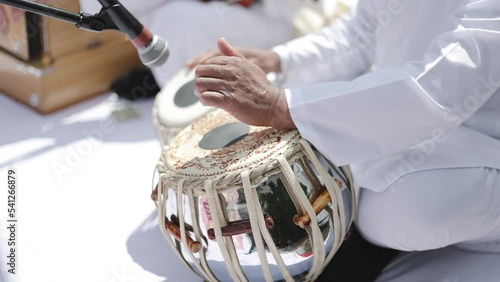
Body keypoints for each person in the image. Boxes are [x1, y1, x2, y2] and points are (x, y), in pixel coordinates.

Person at [188, 0, 500, 280]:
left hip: (485, 137)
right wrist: (280, 60)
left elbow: (440, 87)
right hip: (409, 126)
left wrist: (280, 107)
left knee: (410, 209)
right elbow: (359, 32)